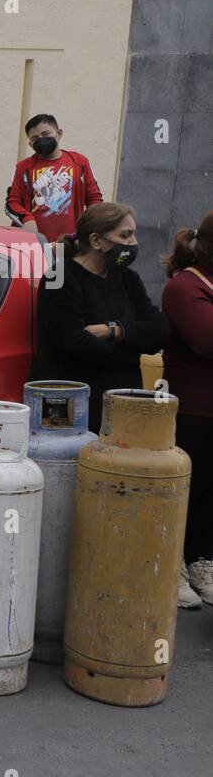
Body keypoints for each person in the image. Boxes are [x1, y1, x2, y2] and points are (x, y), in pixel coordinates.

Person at [29, 202, 170, 434]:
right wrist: (134, 347)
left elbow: (161, 331)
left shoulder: (128, 278)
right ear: (96, 241)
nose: (133, 243)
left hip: (120, 407)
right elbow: (73, 345)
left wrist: (113, 330)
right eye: (125, 235)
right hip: (65, 406)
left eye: (133, 234)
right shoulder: (60, 277)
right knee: (64, 466)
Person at [161, 210, 213, 609]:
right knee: (186, 495)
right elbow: (205, 338)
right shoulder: (184, 286)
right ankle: (171, 566)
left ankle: (201, 563)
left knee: (209, 496)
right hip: (194, 410)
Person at [5, 113, 102, 240]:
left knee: (61, 260)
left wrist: (91, 229)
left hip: (69, 243)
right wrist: (26, 219)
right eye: (35, 138)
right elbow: (11, 203)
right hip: (33, 242)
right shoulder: (22, 168)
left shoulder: (80, 162)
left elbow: (94, 199)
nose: (41, 139)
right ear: (30, 144)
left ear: (59, 133)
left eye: (46, 134)